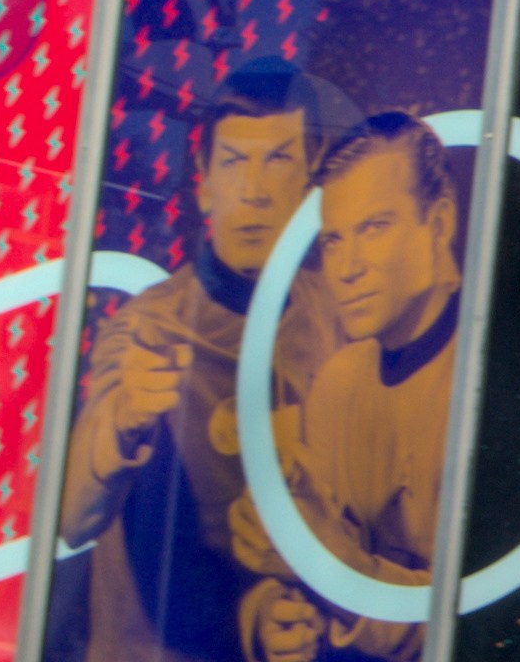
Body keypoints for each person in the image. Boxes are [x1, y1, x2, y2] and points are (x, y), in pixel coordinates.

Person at [54, 57, 336, 662]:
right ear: (204, 182)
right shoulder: (150, 326)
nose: (255, 190)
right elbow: (71, 518)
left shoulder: (340, 322)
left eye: (279, 158)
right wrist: (123, 418)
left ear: (310, 182)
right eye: (234, 162)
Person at [235, 118, 464, 662]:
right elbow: (313, 546)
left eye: (375, 228)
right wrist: (274, 613)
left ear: (439, 224)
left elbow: (465, 619)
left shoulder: (491, 376)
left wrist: (315, 558)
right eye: (334, 240)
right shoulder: (337, 383)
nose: (348, 268)